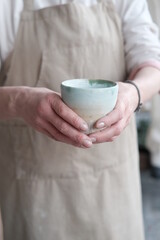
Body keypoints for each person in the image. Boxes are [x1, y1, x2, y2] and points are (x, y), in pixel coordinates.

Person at [0, 0, 160, 239]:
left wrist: (133, 93)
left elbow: (153, 64)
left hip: (112, 190)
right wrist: (20, 101)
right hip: (34, 193)